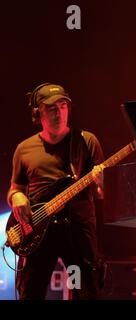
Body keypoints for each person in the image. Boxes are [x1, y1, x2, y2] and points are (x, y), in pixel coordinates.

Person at [6, 83, 105, 299]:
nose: (59, 112)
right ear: (37, 113)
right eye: (51, 108)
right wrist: (17, 197)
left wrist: (99, 182)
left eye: (63, 106)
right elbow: (15, 189)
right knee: (31, 292)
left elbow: (99, 193)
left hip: (77, 232)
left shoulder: (86, 141)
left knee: (85, 291)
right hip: (38, 232)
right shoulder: (24, 149)